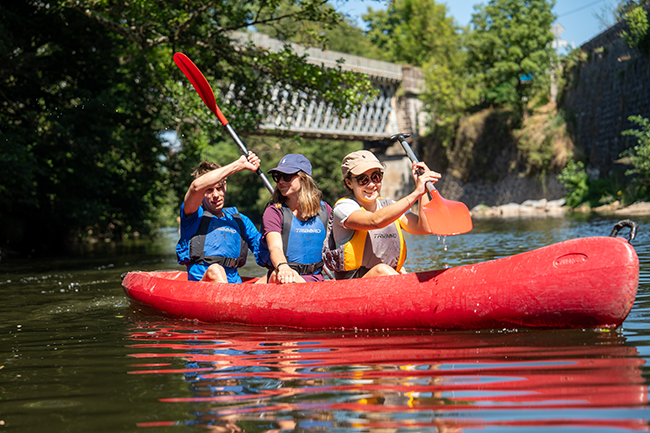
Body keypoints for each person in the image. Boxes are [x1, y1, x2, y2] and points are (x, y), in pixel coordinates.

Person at [323, 150, 441, 279]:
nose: (372, 184)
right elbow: (375, 221)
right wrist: (415, 193)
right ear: (349, 183)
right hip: (351, 287)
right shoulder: (344, 208)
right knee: (382, 270)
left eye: (376, 177)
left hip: (384, 281)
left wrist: (422, 191)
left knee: (390, 271)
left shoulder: (390, 206)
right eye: (363, 179)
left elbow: (424, 228)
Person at [176, 152, 267, 283]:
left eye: (219, 188)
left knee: (277, 274)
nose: (216, 195)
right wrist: (239, 165)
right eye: (208, 190)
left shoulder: (241, 221)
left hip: (235, 288)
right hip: (203, 287)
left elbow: (264, 252)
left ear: (225, 185)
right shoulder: (193, 216)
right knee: (215, 269)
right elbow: (196, 187)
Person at [260, 154, 331, 284]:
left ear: (304, 179)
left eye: (287, 176)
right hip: (283, 276)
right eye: (277, 177)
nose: (281, 181)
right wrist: (283, 266)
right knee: (288, 275)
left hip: (317, 279)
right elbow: (275, 248)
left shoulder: (325, 209)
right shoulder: (274, 212)